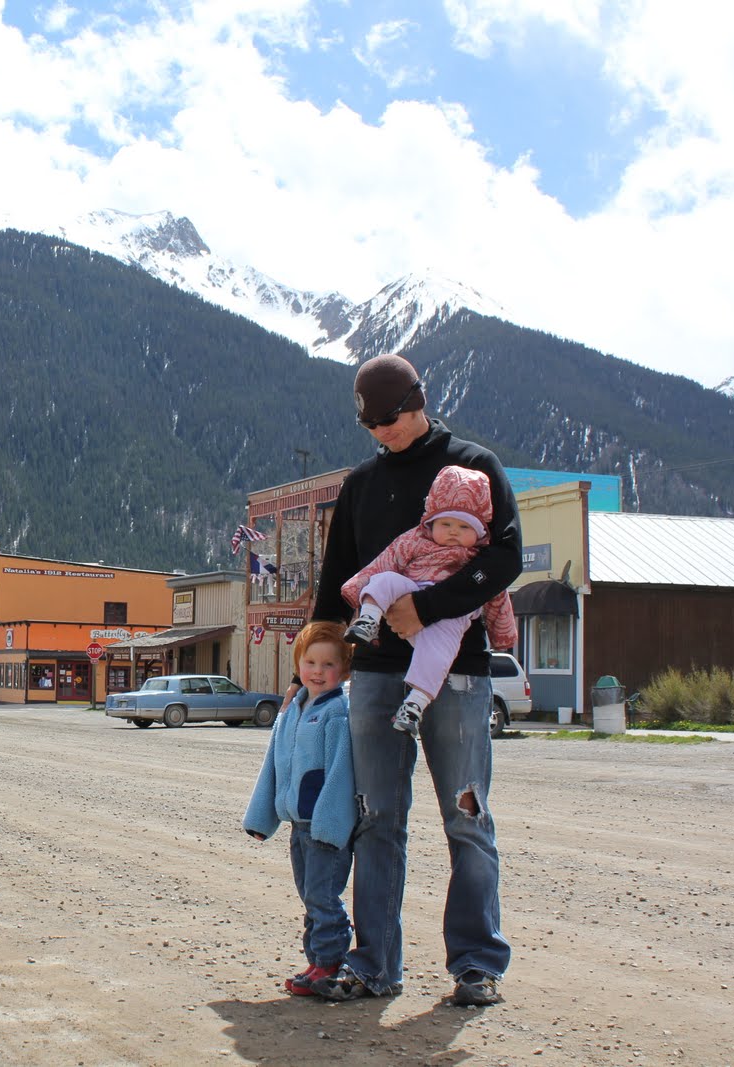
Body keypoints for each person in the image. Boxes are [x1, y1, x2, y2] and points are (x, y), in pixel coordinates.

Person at [309, 353, 520, 1008]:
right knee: (377, 820)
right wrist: (316, 664)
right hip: (375, 676)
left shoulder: (474, 467)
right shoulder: (361, 484)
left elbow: (505, 558)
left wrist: (425, 608)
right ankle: (374, 965)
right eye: (371, 425)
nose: (383, 432)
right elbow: (335, 580)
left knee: (466, 816)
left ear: (418, 401)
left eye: (391, 419)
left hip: (455, 674)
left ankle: (477, 964)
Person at [341, 464, 518, 737]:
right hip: (410, 589)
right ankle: (368, 620)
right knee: (384, 579)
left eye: (464, 526)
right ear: (431, 523)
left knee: (438, 658)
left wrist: (503, 636)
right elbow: (384, 561)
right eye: (446, 524)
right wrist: (354, 588)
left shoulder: (480, 559)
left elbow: (498, 599)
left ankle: (414, 704)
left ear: (480, 532)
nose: (453, 532)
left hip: (451, 619)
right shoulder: (414, 541)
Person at [242, 622, 355, 997]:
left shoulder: (337, 712)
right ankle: (316, 961)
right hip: (298, 825)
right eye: (310, 662)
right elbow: (273, 767)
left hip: (324, 827)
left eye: (328, 664)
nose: (318, 672)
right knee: (310, 897)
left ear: (344, 670)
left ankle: (331, 962)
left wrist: (330, 823)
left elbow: (341, 771)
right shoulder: (291, 710)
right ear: (298, 664)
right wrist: (262, 818)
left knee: (323, 897)